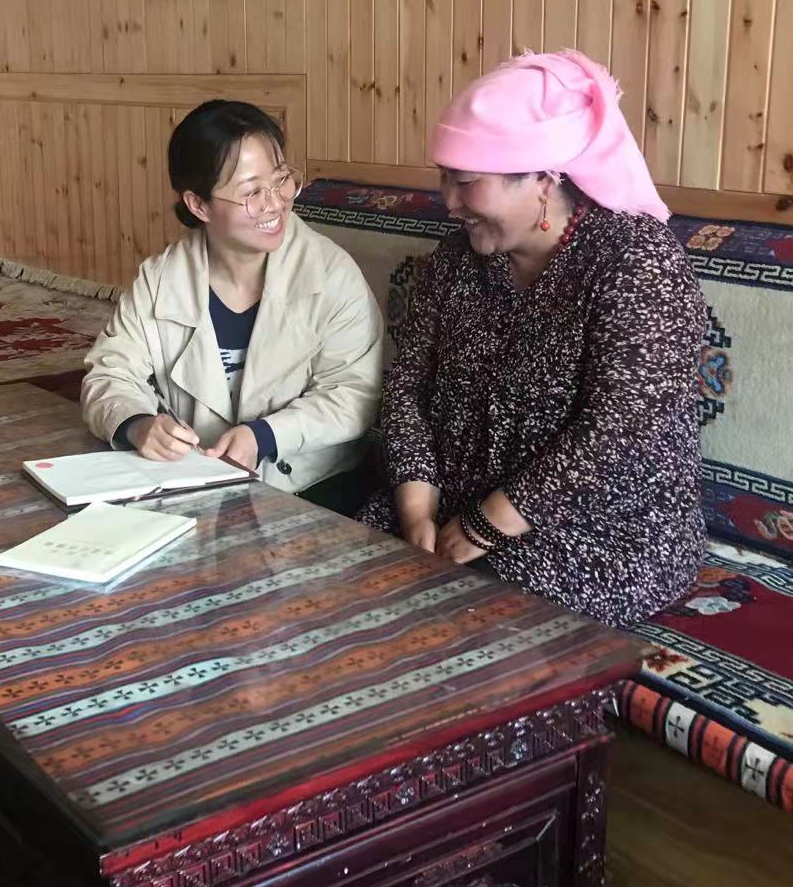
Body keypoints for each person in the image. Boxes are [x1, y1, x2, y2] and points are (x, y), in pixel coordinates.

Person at [357, 50, 708, 628]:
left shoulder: (637, 263)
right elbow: (406, 387)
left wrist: (486, 525)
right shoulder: (456, 261)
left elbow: (621, 429)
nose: (448, 202)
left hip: (595, 530)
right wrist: (416, 507)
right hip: (453, 503)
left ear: (543, 177)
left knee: (464, 619)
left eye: (465, 182)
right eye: (444, 177)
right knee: (350, 573)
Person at [80, 100, 383, 507]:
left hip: (313, 487)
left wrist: (266, 436)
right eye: (252, 191)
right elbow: (109, 373)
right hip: (195, 482)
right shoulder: (161, 279)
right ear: (199, 205)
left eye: (281, 180)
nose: (275, 203)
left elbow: (355, 393)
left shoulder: (331, 274)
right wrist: (137, 425)